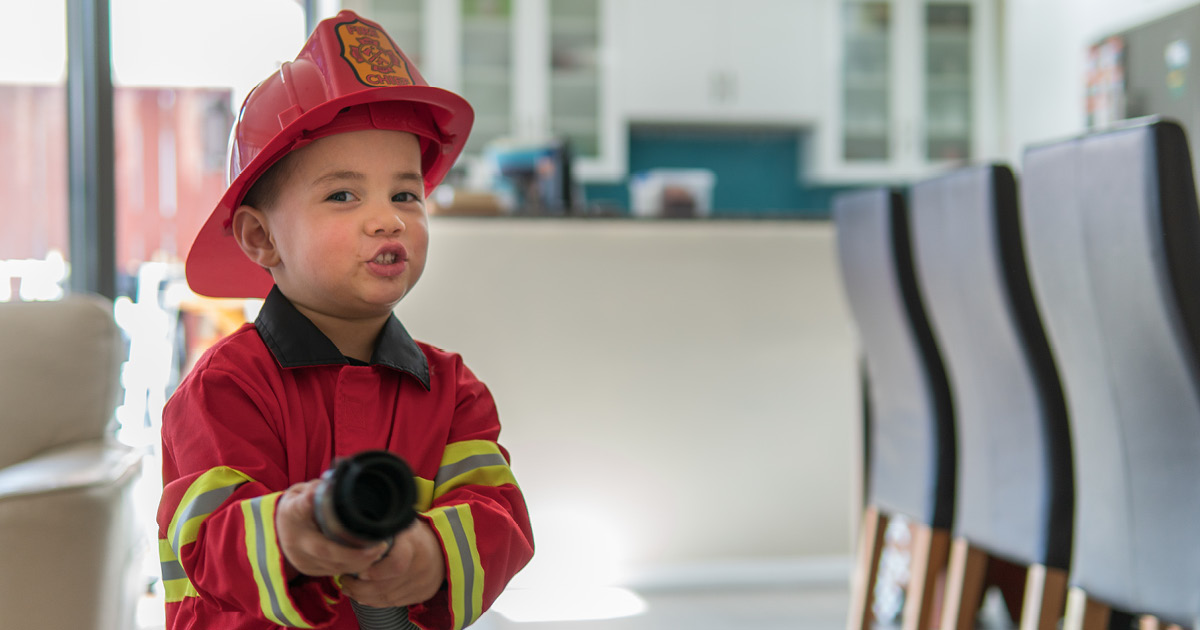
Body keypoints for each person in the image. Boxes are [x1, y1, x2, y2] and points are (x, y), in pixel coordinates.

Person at [156, 11, 533, 630]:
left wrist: (434, 554)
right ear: (260, 237)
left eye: (405, 195)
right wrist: (289, 533)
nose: (388, 220)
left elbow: (498, 512)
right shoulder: (224, 388)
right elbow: (207, 538)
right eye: (343, 195)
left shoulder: (453, 390)